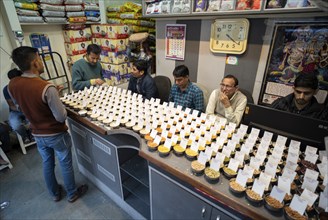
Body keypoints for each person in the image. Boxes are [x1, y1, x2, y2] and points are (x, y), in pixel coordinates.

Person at [9, 46, 88, 203]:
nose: (42, 62)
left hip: (37, 133)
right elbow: (60, 117)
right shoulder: (46, 87)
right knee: (65, 164)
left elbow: (21, 106)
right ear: (35, 62)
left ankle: (54, 194)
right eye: (40, 58)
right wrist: (56, 98)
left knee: (47, 163)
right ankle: (72, 193)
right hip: (55, 133)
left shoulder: (13, 84)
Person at [3, 68, 33, 144]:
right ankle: (25, 136)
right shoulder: (6, 89)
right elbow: (11, 105)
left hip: (28, 108)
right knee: (15, 125)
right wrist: (20, 109)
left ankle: (32, 134)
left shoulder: (26, 86)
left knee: (32, 120)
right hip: (15, 111)